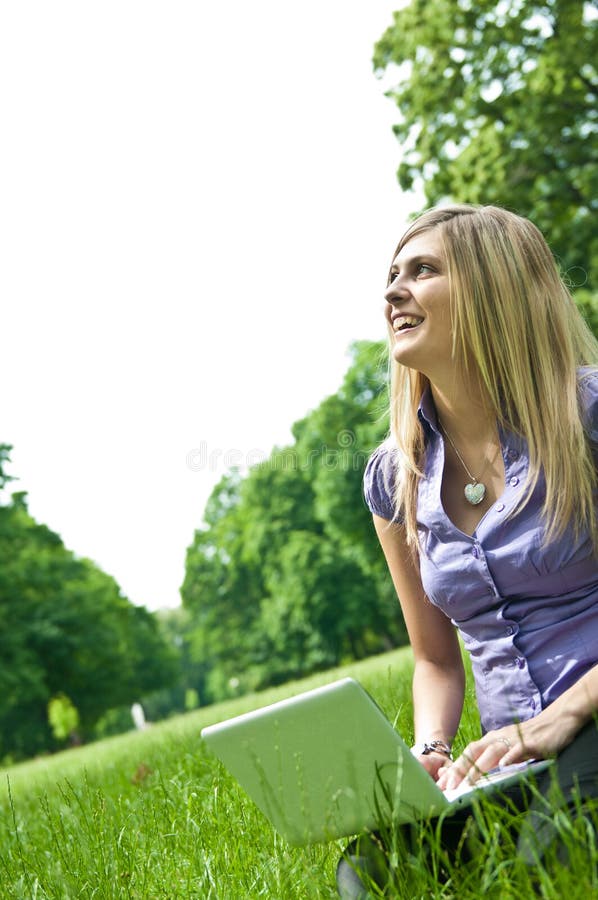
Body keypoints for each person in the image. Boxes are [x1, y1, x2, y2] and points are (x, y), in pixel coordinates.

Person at [337, 204, 598, 897]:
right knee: (373, 867)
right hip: (511, 755)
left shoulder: (590, 417)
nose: (393, 291)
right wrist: (430, 750)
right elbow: (433, 657)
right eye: (392, 275)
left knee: (559, 848)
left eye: (422, 272)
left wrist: (571, 710)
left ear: (492, 288)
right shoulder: (395, 479)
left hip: (591, 718)